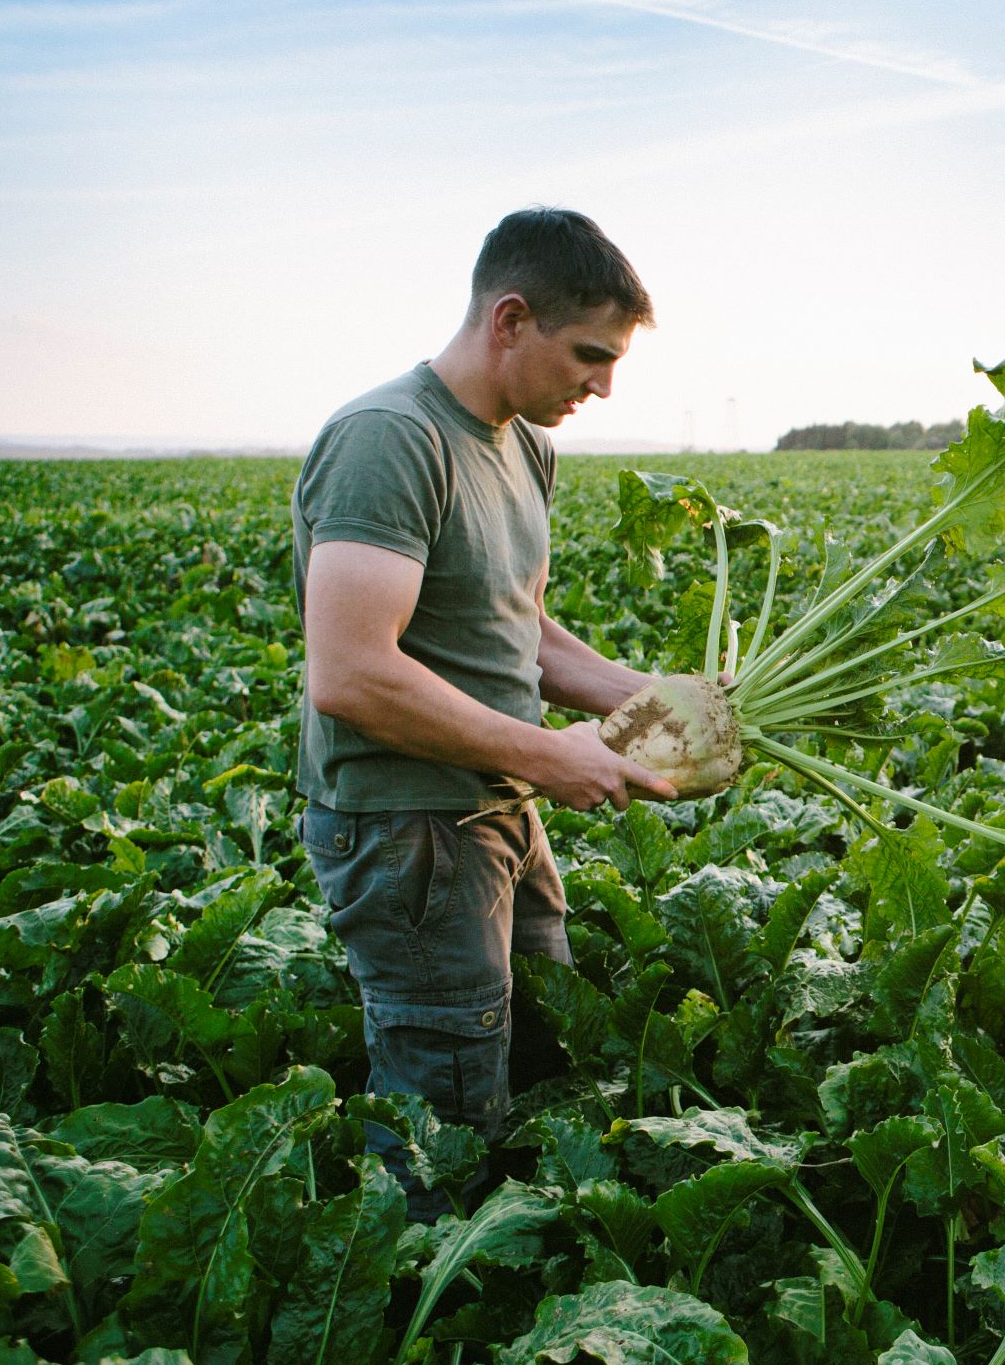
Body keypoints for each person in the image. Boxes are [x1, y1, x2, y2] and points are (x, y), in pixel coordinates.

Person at [290, 206, 704, 1216]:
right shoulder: (389, 439)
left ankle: (509, 1270)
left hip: (499, 807)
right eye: (590, 355)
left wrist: (663, 705)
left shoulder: (522, 446)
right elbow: (349, 673)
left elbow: (520, 625)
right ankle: (409, 1300)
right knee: (444, 1104)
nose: (602, 385)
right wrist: (551, 755)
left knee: (538, 1048)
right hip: (409, 827)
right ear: (509, 319)